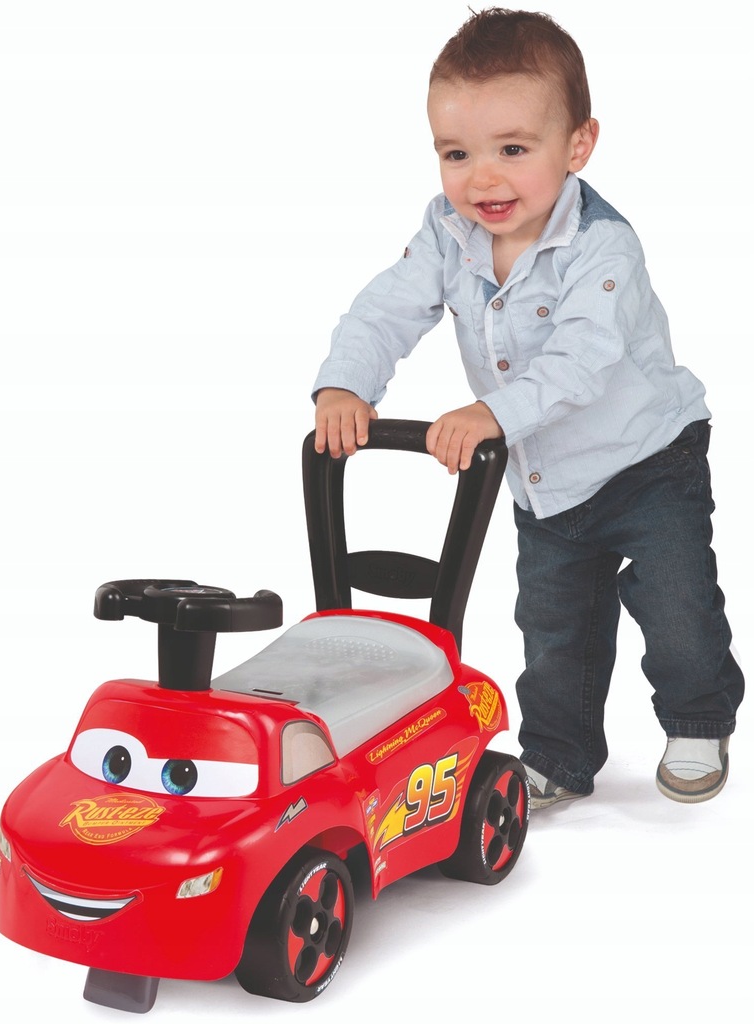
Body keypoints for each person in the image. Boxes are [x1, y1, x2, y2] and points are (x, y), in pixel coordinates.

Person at [310, 7, 744, 807]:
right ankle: (559, 755)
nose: (483, 178)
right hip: (546, 482)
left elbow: (582, 361)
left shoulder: (603, 247)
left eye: (513, 149)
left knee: (675, 607)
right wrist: (346, 385)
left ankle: (697, 717)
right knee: (553, 628)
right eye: (457, 153)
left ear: (577, 146)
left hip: (650, 464)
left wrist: (491, 413)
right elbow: (386, 309)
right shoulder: (448, 233)